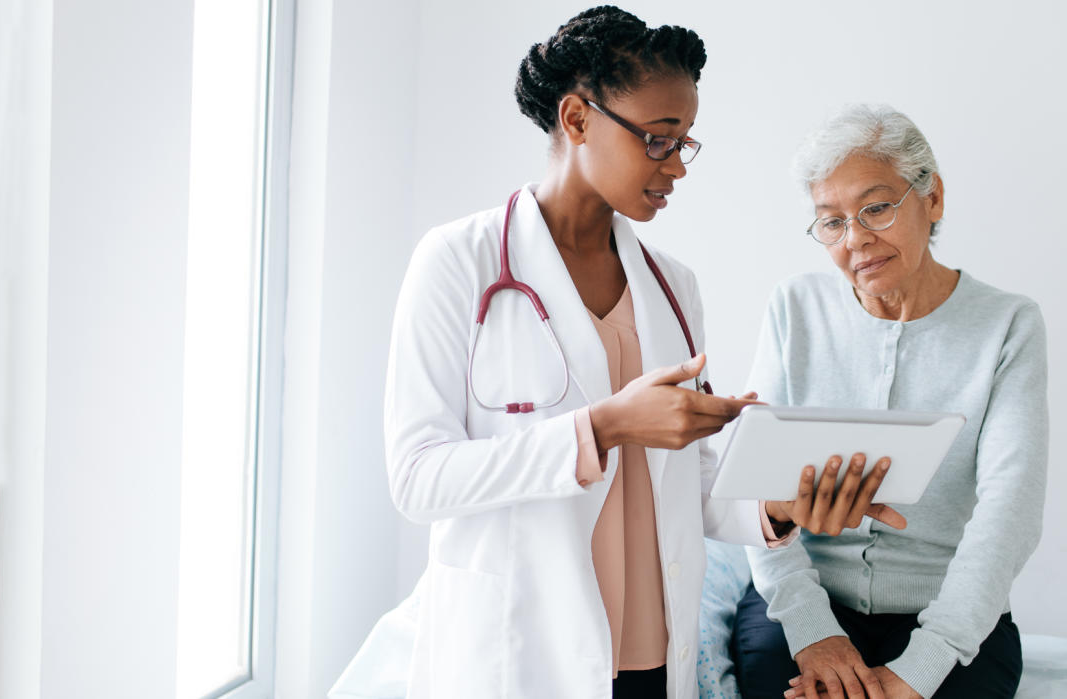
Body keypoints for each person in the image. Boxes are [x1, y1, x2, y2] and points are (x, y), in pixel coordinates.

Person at [334, 9, 902, 699]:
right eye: (659, 141)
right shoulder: (459, 261)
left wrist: (778, 508)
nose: (676, 169)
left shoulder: (673, 285)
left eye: (685, 144)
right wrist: (603, 427)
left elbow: (682, 480)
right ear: (577, 119)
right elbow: (419, 479)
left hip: (650, 657)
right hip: (519, 650)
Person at [731, 104, 1048, 699]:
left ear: (933, 198)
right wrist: (810, 630)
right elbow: (756, 492)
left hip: (950, 614)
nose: (856, 241)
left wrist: (922, 666)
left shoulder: (1009, 324)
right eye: (831, 222)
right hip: (805, 600)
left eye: (876, 208)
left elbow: (1012, 509)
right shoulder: (794, 308)